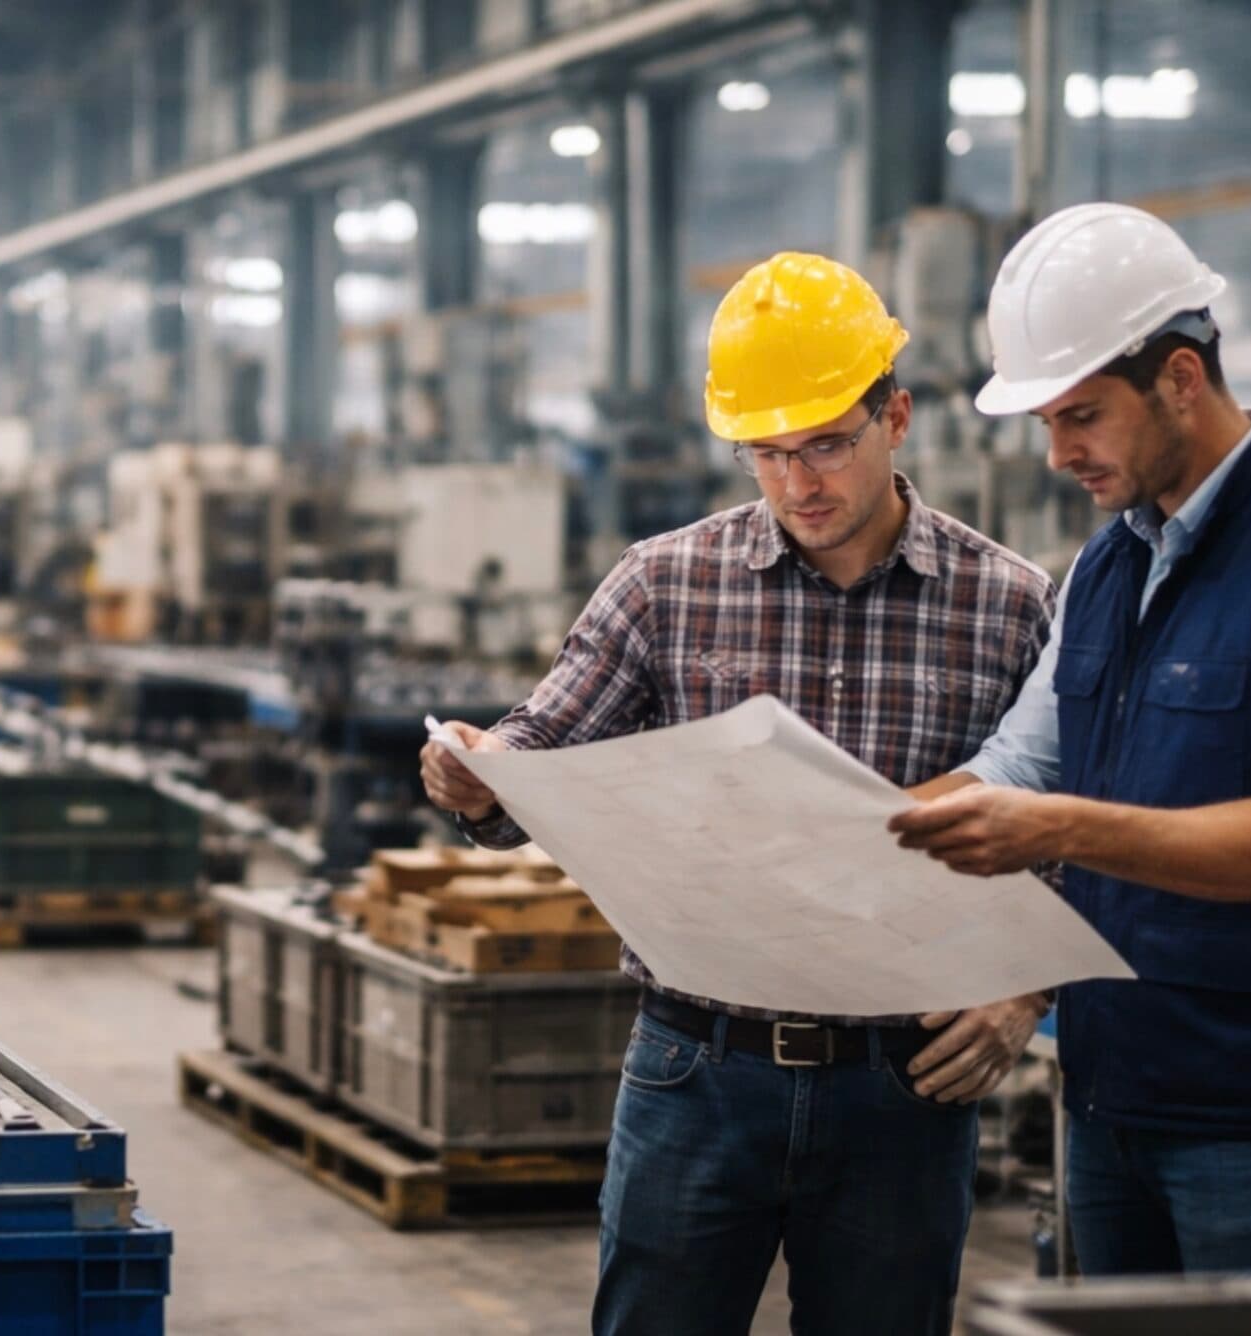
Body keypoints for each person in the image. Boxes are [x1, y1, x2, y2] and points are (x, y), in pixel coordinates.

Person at [419, 253, 1057, 1336]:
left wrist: (1021, 993)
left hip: (900, 1087)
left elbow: (1069, 824)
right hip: (696, 1071)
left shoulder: (1006, 605)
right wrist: (478, 776)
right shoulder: (667, 582)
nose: (799, 483)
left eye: (825, 446)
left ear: (894, 417)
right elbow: (539, 750)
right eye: (766, 453)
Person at [889, 202, 1251, 1336]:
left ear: (1181, 377)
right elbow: (1017, 760)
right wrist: (837, 822)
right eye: (1047, 419)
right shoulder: (1107, 564)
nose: (1057, 454)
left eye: (1082, 415)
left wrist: (1058, 831)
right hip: (1110, 1088)